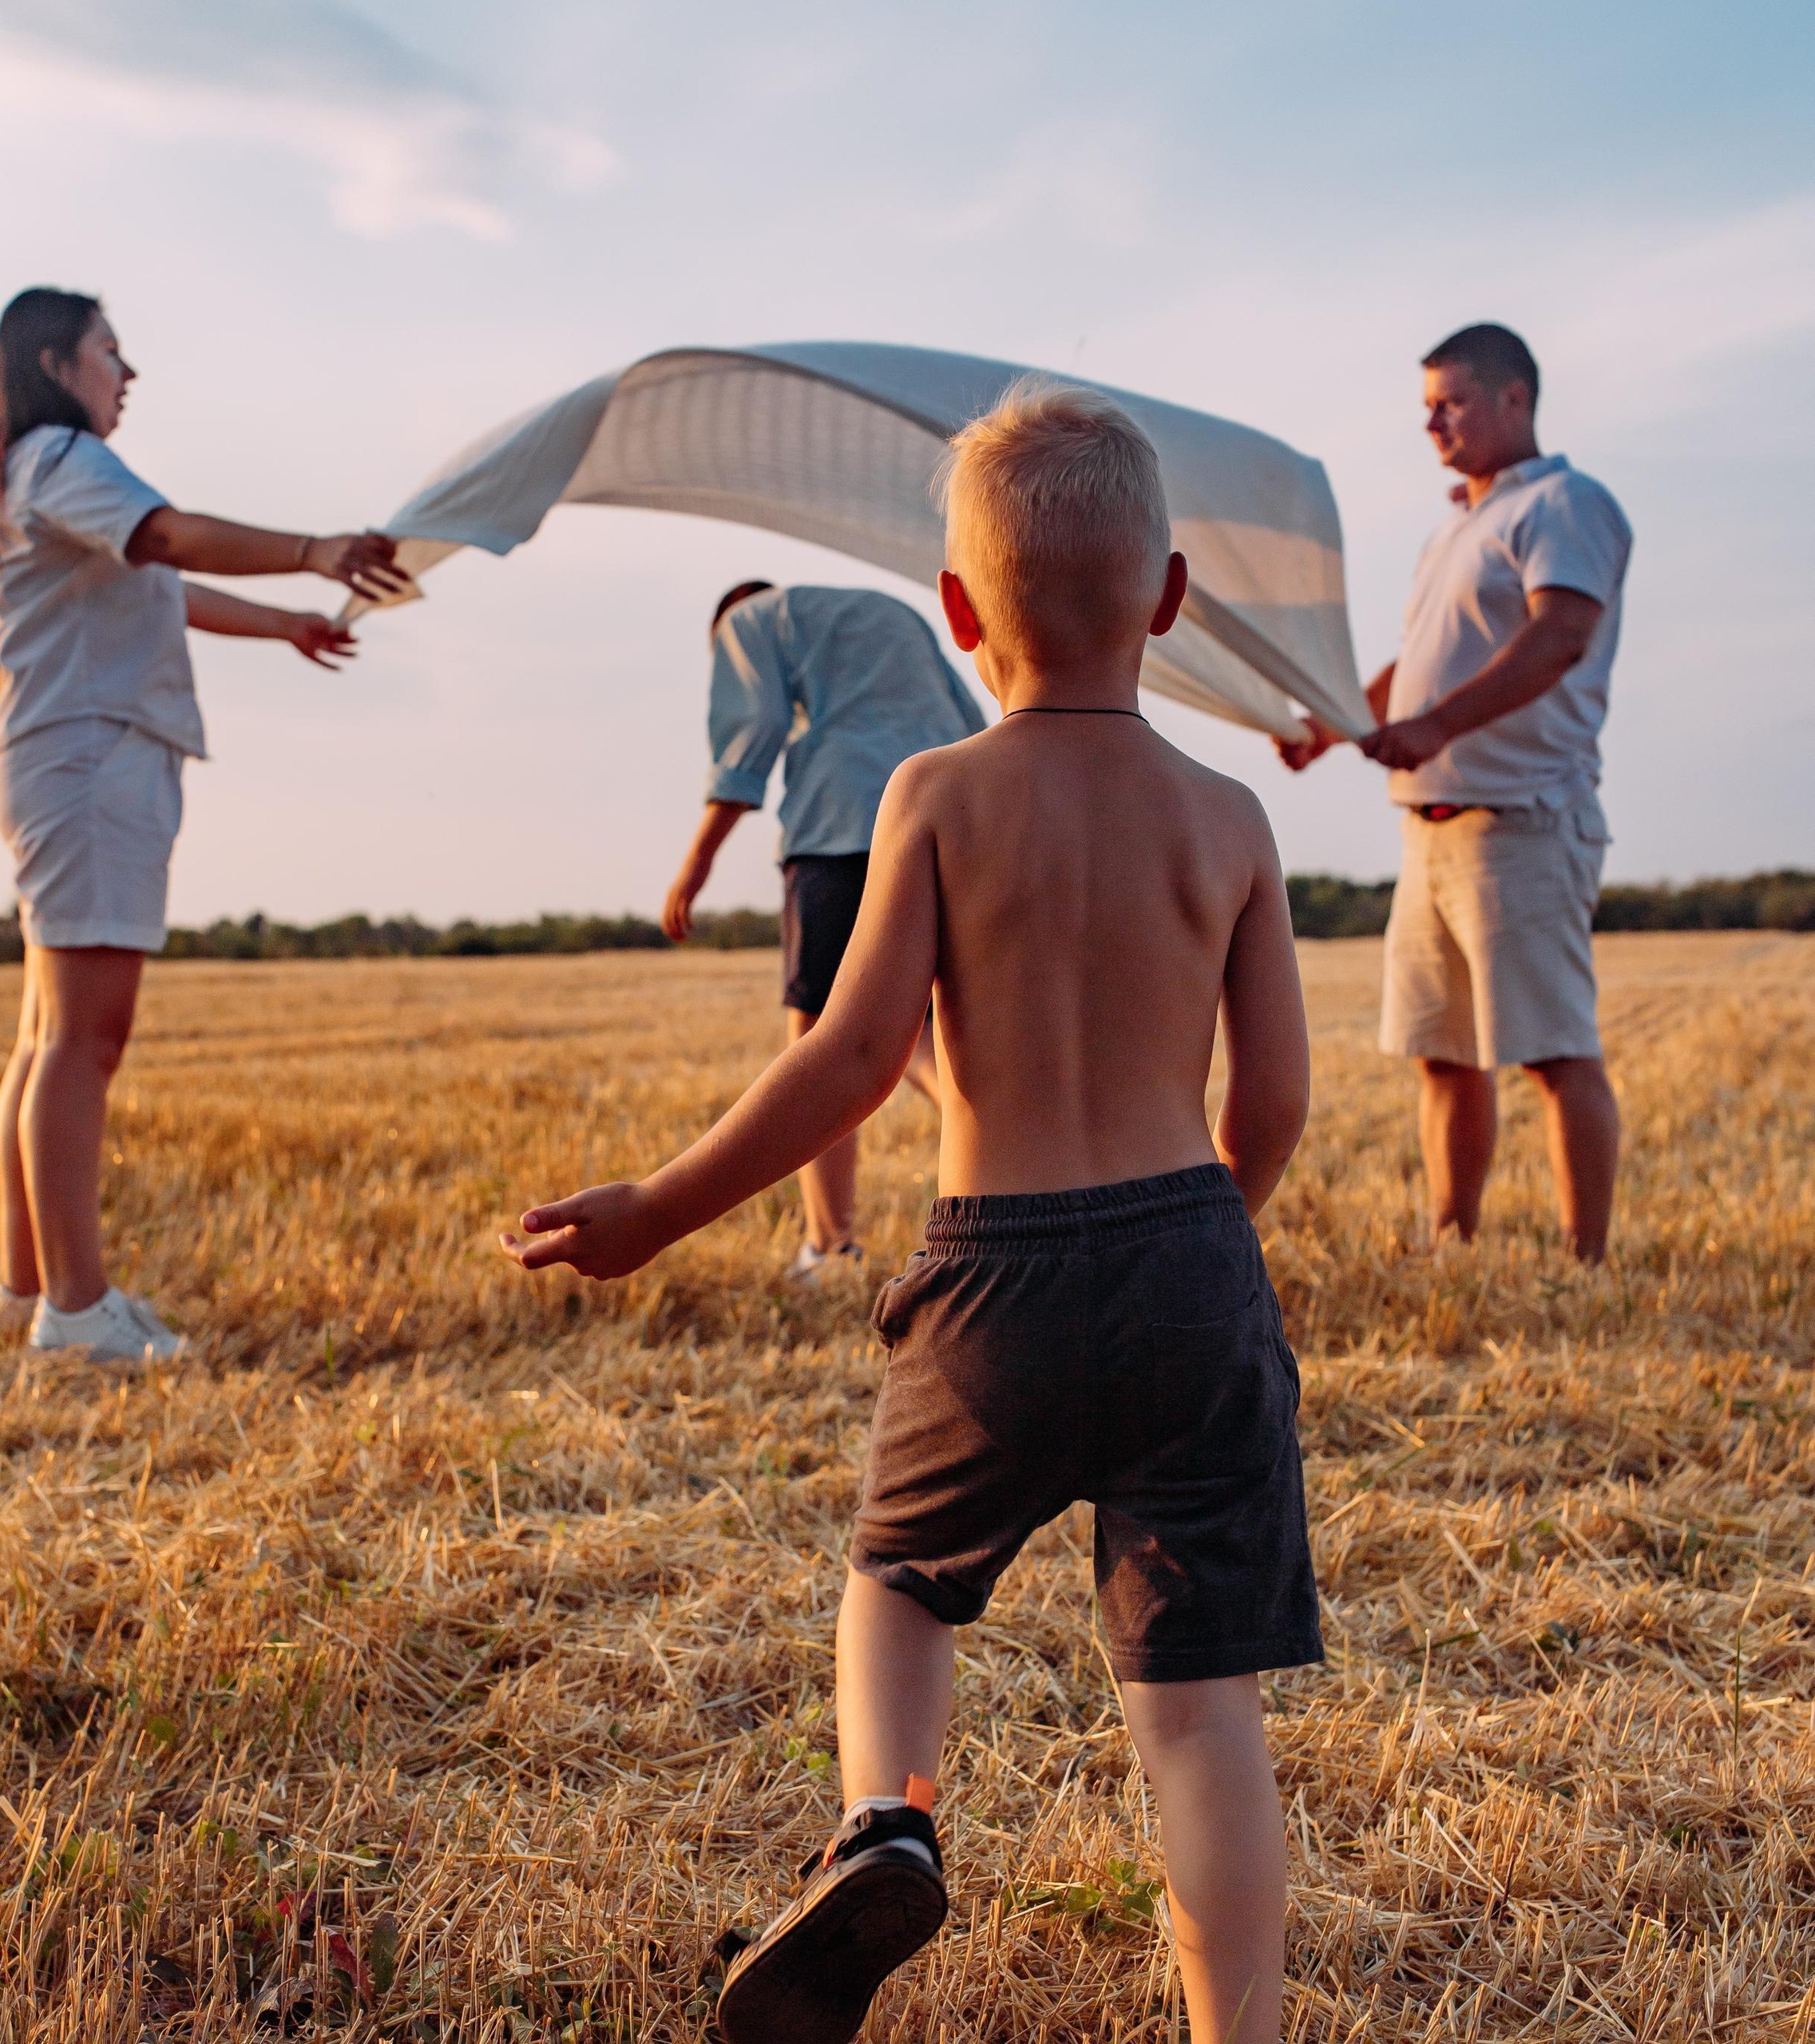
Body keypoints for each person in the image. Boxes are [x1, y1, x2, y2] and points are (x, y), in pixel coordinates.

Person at [505, 378, 1321, 2044]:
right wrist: (1206, 1225)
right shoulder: (1230, 820)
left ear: (955, 611)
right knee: (1195, 1715)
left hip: (996, 1279)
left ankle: (889, 1817)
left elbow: (854, 1056)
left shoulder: (933, 795)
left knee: (898, 1580)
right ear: (1166, 602)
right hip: (1188, 1260)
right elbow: (1277, 1102)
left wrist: (658, 1207)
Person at [0, 287, 408, 1363]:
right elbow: (169, 536)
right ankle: (77, 1312)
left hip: (59, 757)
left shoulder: (32, 477)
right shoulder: (66, 461)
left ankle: (26, 1285)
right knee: (85, 1039)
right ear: (53, 367)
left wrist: (288, 627)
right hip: (92, 759)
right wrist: (316, 549)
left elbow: (160, 579)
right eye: (109, 352)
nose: (128, 373)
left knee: (47, 1038)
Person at [1278, 323, 1631, 1261]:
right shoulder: (1454, 526)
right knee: (1442, 1051)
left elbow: (1559, 635)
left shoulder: (1563, 503)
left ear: (1515, 399)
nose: (1432, 422)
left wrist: (1434, 728)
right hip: (1429, 827)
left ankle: (1583, 1262)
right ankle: (1452, 1243)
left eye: (1453, 402)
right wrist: (1331, 725)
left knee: (1555, 1052)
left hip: (1521, 818)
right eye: (1427, 407)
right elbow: (1420, 664)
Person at [661, 581, 985, 1277]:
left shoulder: (747, 621)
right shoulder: (890, 613)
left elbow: (751, 732)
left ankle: (830, 1245)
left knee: (818, 1037)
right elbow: (967, 718)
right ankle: (998, 1126)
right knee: (933, 1027)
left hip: (840, 827)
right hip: (944, 823)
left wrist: (695, 865)